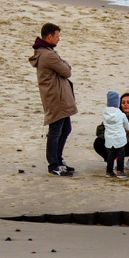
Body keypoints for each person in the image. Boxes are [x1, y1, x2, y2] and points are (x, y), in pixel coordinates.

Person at [29, 23, 77, 177]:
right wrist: (65, 65)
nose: (59, 39)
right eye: (57, 36)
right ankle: (54, 165)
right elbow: (66, 71)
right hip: (56, 98)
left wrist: (64, 65)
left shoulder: (46, 52)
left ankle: (58, 161)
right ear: (49, 37)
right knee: (56, 131)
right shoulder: (48, 55)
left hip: (58, 97)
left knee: (65, 129)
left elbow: (64, 69)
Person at [94, 92, 129, 173]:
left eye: (128, 102)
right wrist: (112, 136)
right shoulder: (113, 114)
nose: (126, 105)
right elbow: (100, 130)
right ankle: (109, 161)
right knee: (98, 142)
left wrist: (124, 137)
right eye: (123, 103)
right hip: (112, 144)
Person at [100, 91, 129, 178]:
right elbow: (127, 126)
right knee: (120, 155)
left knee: (110, 155)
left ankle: (109, 171)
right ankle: (120, 171)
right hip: (120, 139)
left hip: (109, 139)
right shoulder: (121, 114)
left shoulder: (105, 114)